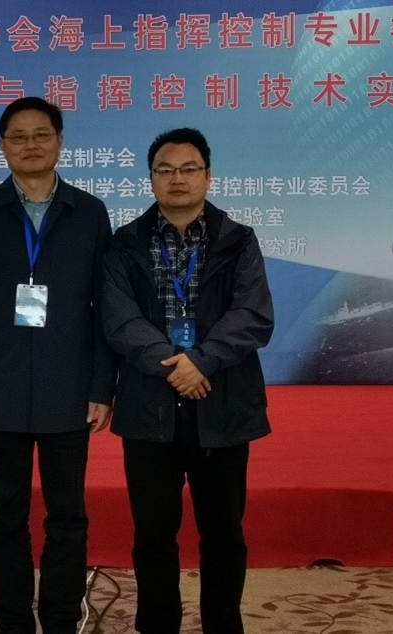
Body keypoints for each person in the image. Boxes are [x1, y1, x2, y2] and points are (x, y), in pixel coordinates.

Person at [0, 96, 116, 634]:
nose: (30, 145)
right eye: (18, 137)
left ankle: (62, 620)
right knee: (6, 517)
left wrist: (102, 387)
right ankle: (13, 622)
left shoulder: (89, 213)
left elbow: (108, 308)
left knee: (68, 517)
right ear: (2, 147)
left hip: (70, 389)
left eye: (42, 134)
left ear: (60, 142)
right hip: (0, 390)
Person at [100, 128, 274, 634]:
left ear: (208, 177)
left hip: (222, 405)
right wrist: (176, 366)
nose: (177, 179)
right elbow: (119, 319)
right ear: (151, 179)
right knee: (153, 535)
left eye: (189, 169)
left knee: (224, 535)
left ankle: (223, 626)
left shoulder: (238, 240)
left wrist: (202, 361)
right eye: (165, 170)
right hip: (149, 407)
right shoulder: (124, 243)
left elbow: (253, 315)